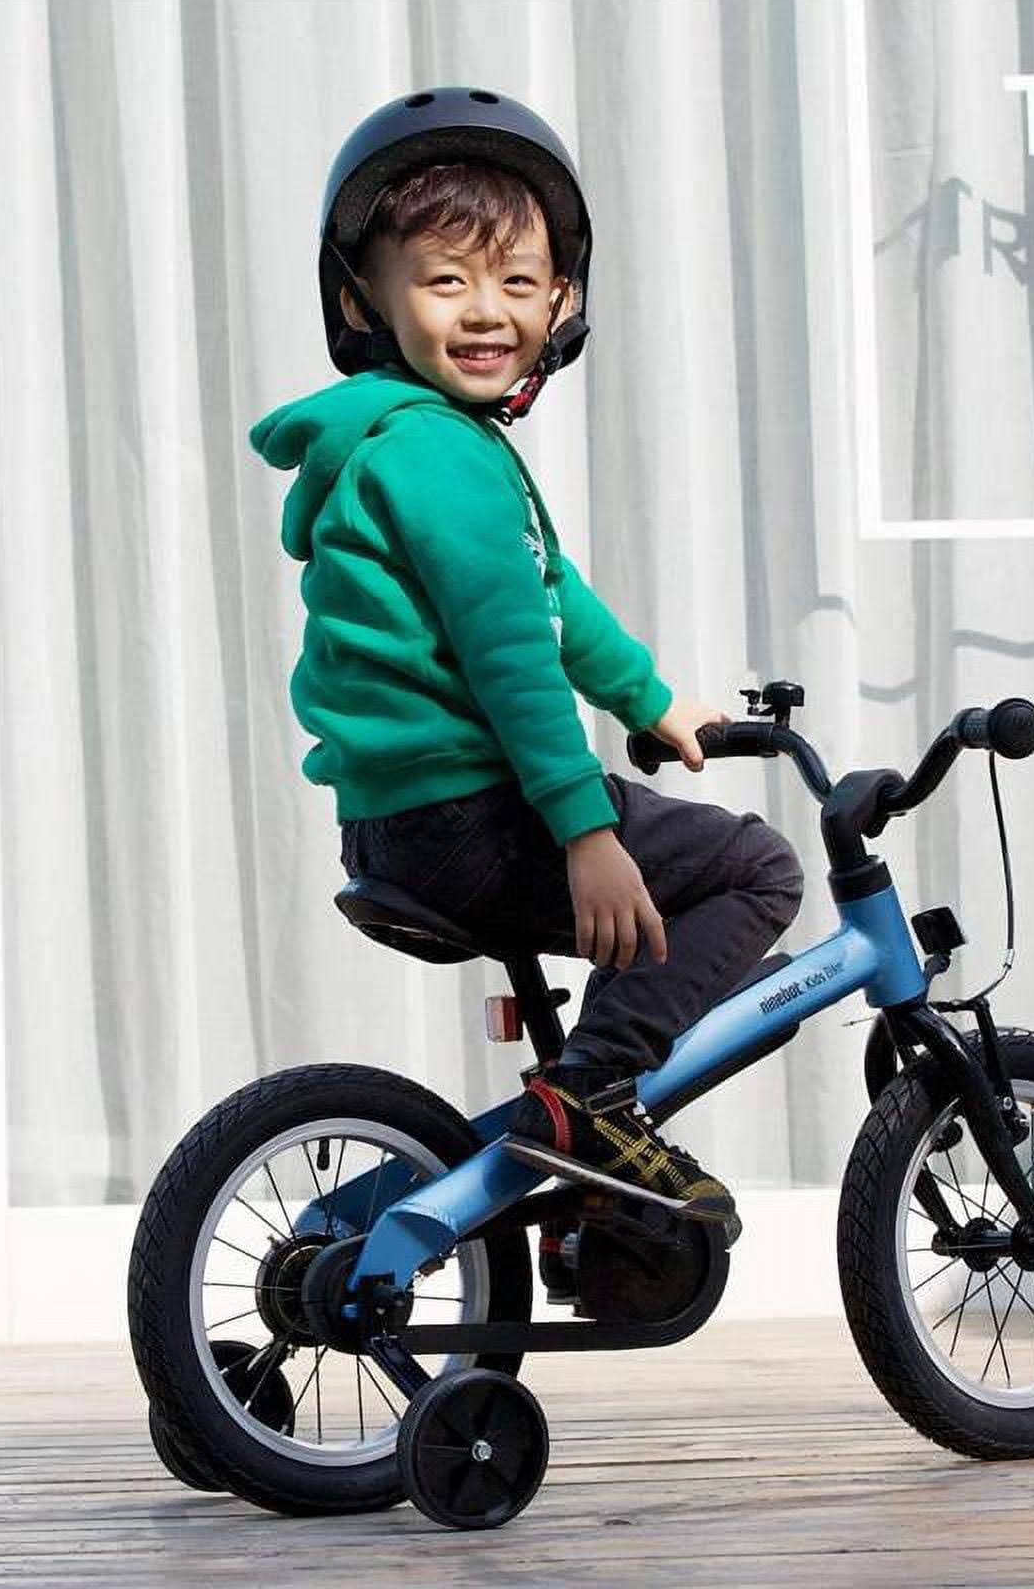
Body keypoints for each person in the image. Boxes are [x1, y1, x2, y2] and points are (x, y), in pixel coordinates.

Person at [250, 88, 803, 1273]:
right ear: (362, 301)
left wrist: (652, 701)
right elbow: (510, 660)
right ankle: (593, 1095)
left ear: (561, 300)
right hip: (477, 816)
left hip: (402, 821)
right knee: (755, 870)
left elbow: (554, 602)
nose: (485, 310)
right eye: (444, 281)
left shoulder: (413, 443)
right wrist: (585, 828)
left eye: (515, 280)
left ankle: (586, 1186)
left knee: (672, 896)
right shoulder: (439, 453)